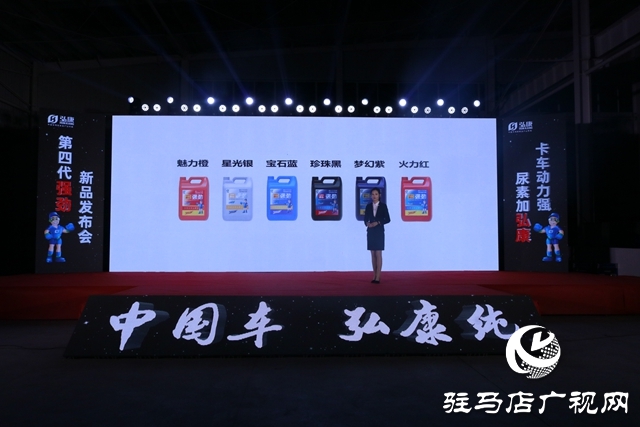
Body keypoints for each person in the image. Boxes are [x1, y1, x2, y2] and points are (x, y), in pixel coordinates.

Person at [364, 188, 390, 283]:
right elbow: (365, 219)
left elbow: (387, 219)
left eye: (376, 194)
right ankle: (374, 275)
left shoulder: (383, 206)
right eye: (373, 194)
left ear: (379, 195)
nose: (374, 196)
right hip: (371, 231)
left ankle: (378, 276)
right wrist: (367, 223)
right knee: (372, 254)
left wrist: (378, 222)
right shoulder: (368, 206)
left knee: (378, 253)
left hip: (379, 231)